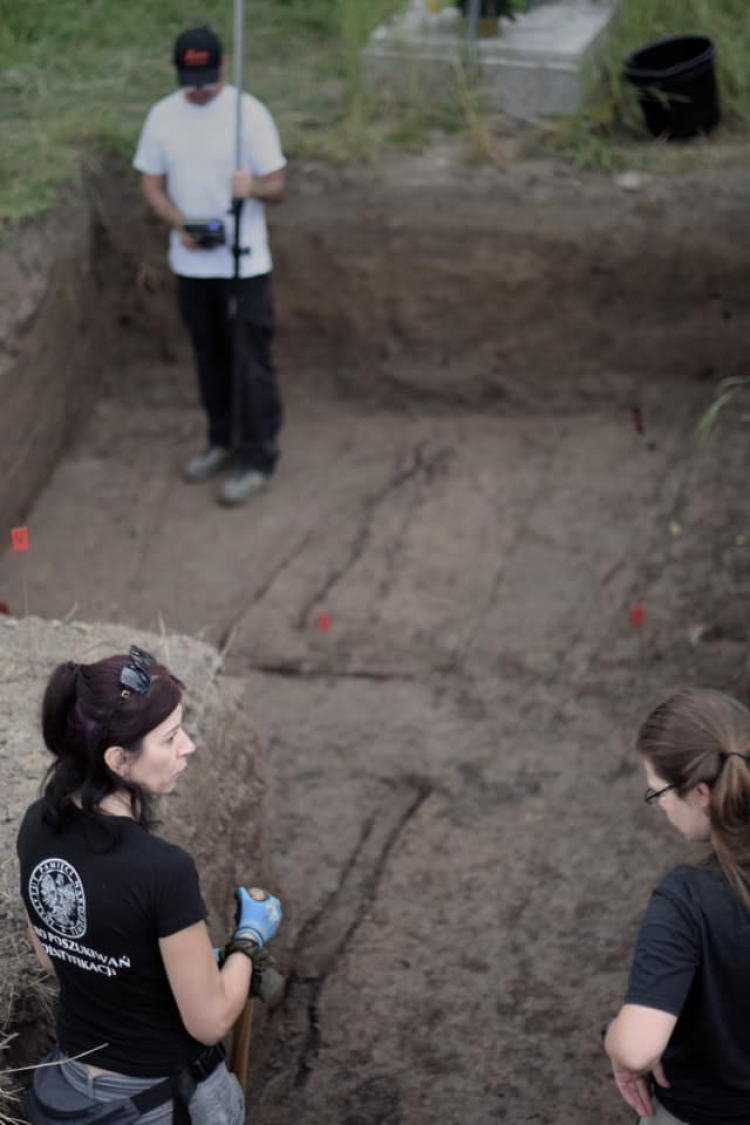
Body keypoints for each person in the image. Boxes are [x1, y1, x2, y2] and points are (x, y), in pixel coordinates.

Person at [16, 646, 282, 1124]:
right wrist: (249, 940)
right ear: (118, 758)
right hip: (158, 1101)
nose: (190, 747)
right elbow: (209, 1022)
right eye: (171, 738)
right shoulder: (163, 870)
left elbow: (51, 956)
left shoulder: (37, 826)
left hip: (71, 1090)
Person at [133, 26, 286, 507]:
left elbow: (278, 184)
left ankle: (258, 457)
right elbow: (151, 183)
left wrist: (253, 189)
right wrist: (179, 223)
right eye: (188, 78)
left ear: (221, 66)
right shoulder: (162, 117)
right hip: (193, 267)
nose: (196, 87)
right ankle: (221, 441)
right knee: (210, 361)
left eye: (204, 76)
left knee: (251, 365)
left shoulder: (250, 115)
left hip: (245, 265)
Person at [604, 688, 750, 1125]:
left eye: (659, 792)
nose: (661, 806)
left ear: (702, 793)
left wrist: (615, 1039)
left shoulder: (687, 900)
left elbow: (638, 1047)